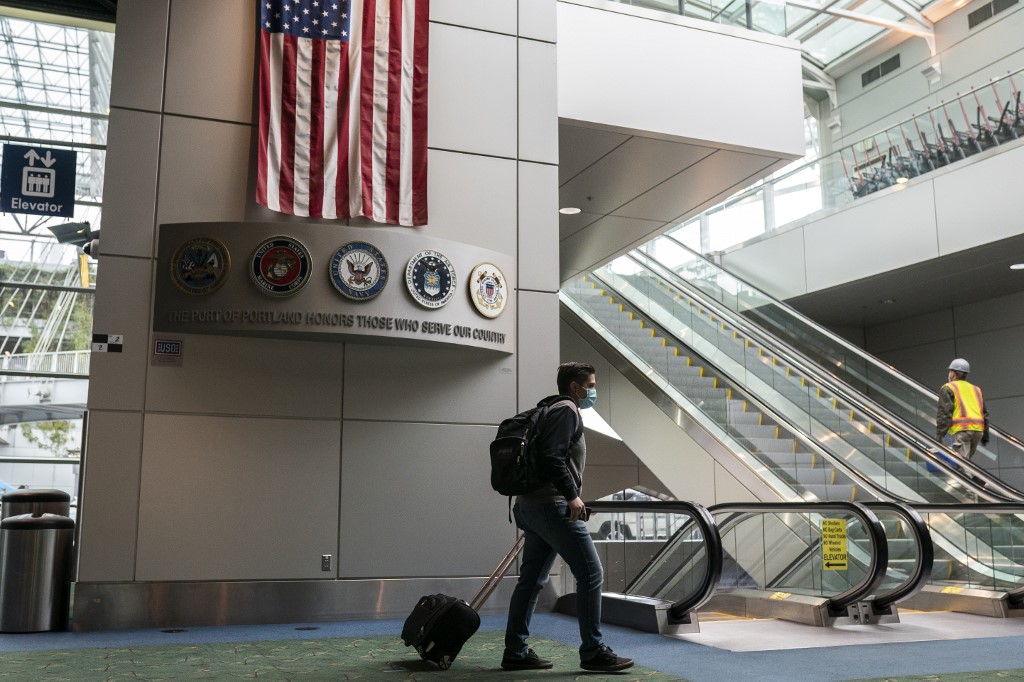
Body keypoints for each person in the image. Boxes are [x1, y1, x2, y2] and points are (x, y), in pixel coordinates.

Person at [501, 362, 634, 673]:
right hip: (551, 506)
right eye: (591, 385)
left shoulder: (548, 409)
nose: (593, 391)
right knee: (591, 574)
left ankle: (515, 651)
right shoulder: (567, 410)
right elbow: (551, 455)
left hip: (531, 506)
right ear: (576, 387)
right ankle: (593, 651)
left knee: (531, 580)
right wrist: (572, 495)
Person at [936, 358, 989, 462]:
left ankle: (972, 478)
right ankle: (972, 477)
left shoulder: (948, 388)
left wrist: (939, 435)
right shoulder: (976, 389)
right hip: (978, 431)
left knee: (963, 465)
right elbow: (985, 413)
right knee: (966, 462)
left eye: (950, 371)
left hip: (963, 431)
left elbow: (945, 413)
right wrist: (985, 435)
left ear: (953, 373)